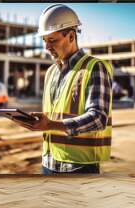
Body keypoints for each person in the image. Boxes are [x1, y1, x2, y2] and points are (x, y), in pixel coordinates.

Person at [14, 4, 113, 175]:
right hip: (48, 161)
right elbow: (57, 112)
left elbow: (98, 118)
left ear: (71, 36)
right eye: (45, 41)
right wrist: (40, 121)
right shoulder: (51, 72)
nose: (47, 47)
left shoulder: (94, 68)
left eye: (52, 40)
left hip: (79, 166)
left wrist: (51, 124)